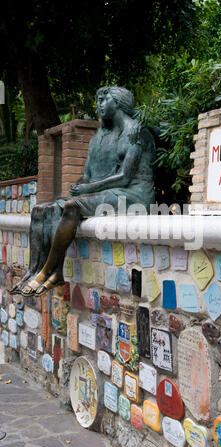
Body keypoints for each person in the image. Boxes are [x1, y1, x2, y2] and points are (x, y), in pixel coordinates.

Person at [9, 86, 155, 297]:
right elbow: (88, 176)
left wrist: (86, 190)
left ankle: (47, 272)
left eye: (105, 99)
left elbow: (125, 176)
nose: (99, 104)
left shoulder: (136, 131)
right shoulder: (99, 138)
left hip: (135, 195)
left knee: (72, 206)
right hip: (115, 192)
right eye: (98, 100)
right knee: (42, 210)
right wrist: (78, 187)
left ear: (119, 102)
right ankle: (35, 270)